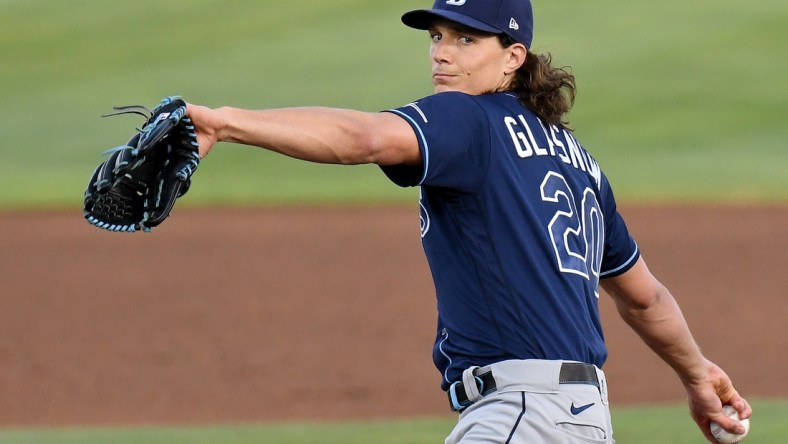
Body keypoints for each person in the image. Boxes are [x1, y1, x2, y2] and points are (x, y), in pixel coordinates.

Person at [186, 0, 752, 442]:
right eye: (436, 36)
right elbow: (644, 297)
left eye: (465, 38)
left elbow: (364, 139)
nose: (441, 53)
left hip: (521, 415)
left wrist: (226, 123)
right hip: (585, 421)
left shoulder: (467, 119)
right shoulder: (581, 163)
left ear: (513, 57)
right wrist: (697, 374)